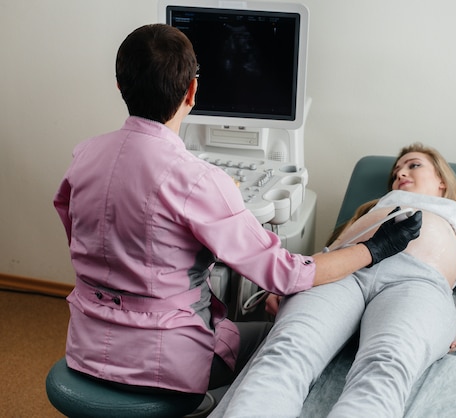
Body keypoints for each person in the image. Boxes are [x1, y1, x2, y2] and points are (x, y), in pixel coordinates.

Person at [52, 23, 421, 411]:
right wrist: (375, 248)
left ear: (119, 86)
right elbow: (285, 275)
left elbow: (79, 233)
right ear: (192, 91)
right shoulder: (199, 181)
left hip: (87, 350)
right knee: (283, 337)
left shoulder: (84, 155)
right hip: (164, 367)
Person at [219, 143, 456, 417]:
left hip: (418, 283)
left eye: (413, 165)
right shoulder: (378, 206)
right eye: (396, 172)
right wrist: (296, 278)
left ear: (441, 180)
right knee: (286, 350)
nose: (400, 174)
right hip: (346, 272)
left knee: (386, 367)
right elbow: (333, 250)